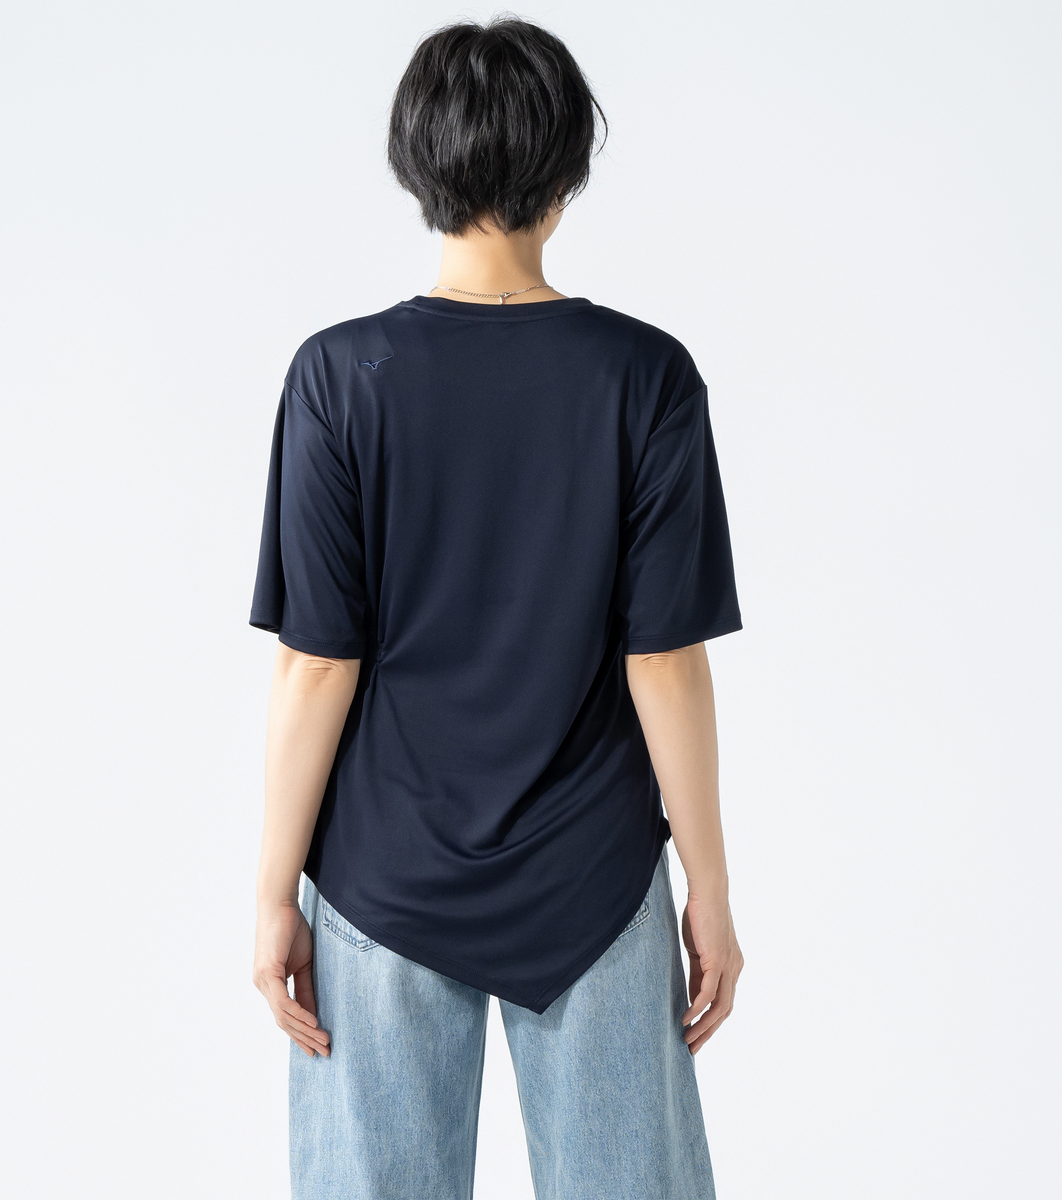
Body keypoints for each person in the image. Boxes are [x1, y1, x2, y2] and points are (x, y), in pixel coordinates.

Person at [249, 15, 744, 1200]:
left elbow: (318, 665)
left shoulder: (337, 377)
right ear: (568, 169)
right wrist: (710, 893)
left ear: (415, 163)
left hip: (381, 872)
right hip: (592, 873)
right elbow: (663, 662)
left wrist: (272, 893)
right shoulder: (645, 377)